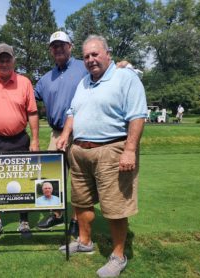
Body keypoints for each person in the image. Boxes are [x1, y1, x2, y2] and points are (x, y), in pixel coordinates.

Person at [57, 35, 147, 277]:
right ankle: (85, 241)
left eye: (95, 54)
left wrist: (129, 150)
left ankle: (118, 255)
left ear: (108, 53)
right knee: (81, 201)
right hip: (79, 151)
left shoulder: (125, 77)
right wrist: (65, 134)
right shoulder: (84, 82)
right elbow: (72, 111)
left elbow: (137, 115)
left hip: (112, 149)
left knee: (114, 206)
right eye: (86, 56)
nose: (90, 60)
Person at [0, 43, 39, 239]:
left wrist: (35, 140)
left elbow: (32, 112)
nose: (4, 62)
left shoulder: (24, 82)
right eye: (0, 59)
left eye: (8, 59)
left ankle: (23, 221)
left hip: (19, 139)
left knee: (25, 181)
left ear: (14, 60)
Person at [34, 31, 87, 236]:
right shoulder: (46, 78)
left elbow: (108, 72)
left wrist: (122, 65)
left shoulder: (84, 67)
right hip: (56, 134)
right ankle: (56, 215)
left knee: (78, 179)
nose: (58, 49)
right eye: (54, 46)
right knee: (51, 178)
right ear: (50, 50)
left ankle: (76, 219)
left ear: (70, 46)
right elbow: (26, 96)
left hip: (80, 133)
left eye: (62, 45)